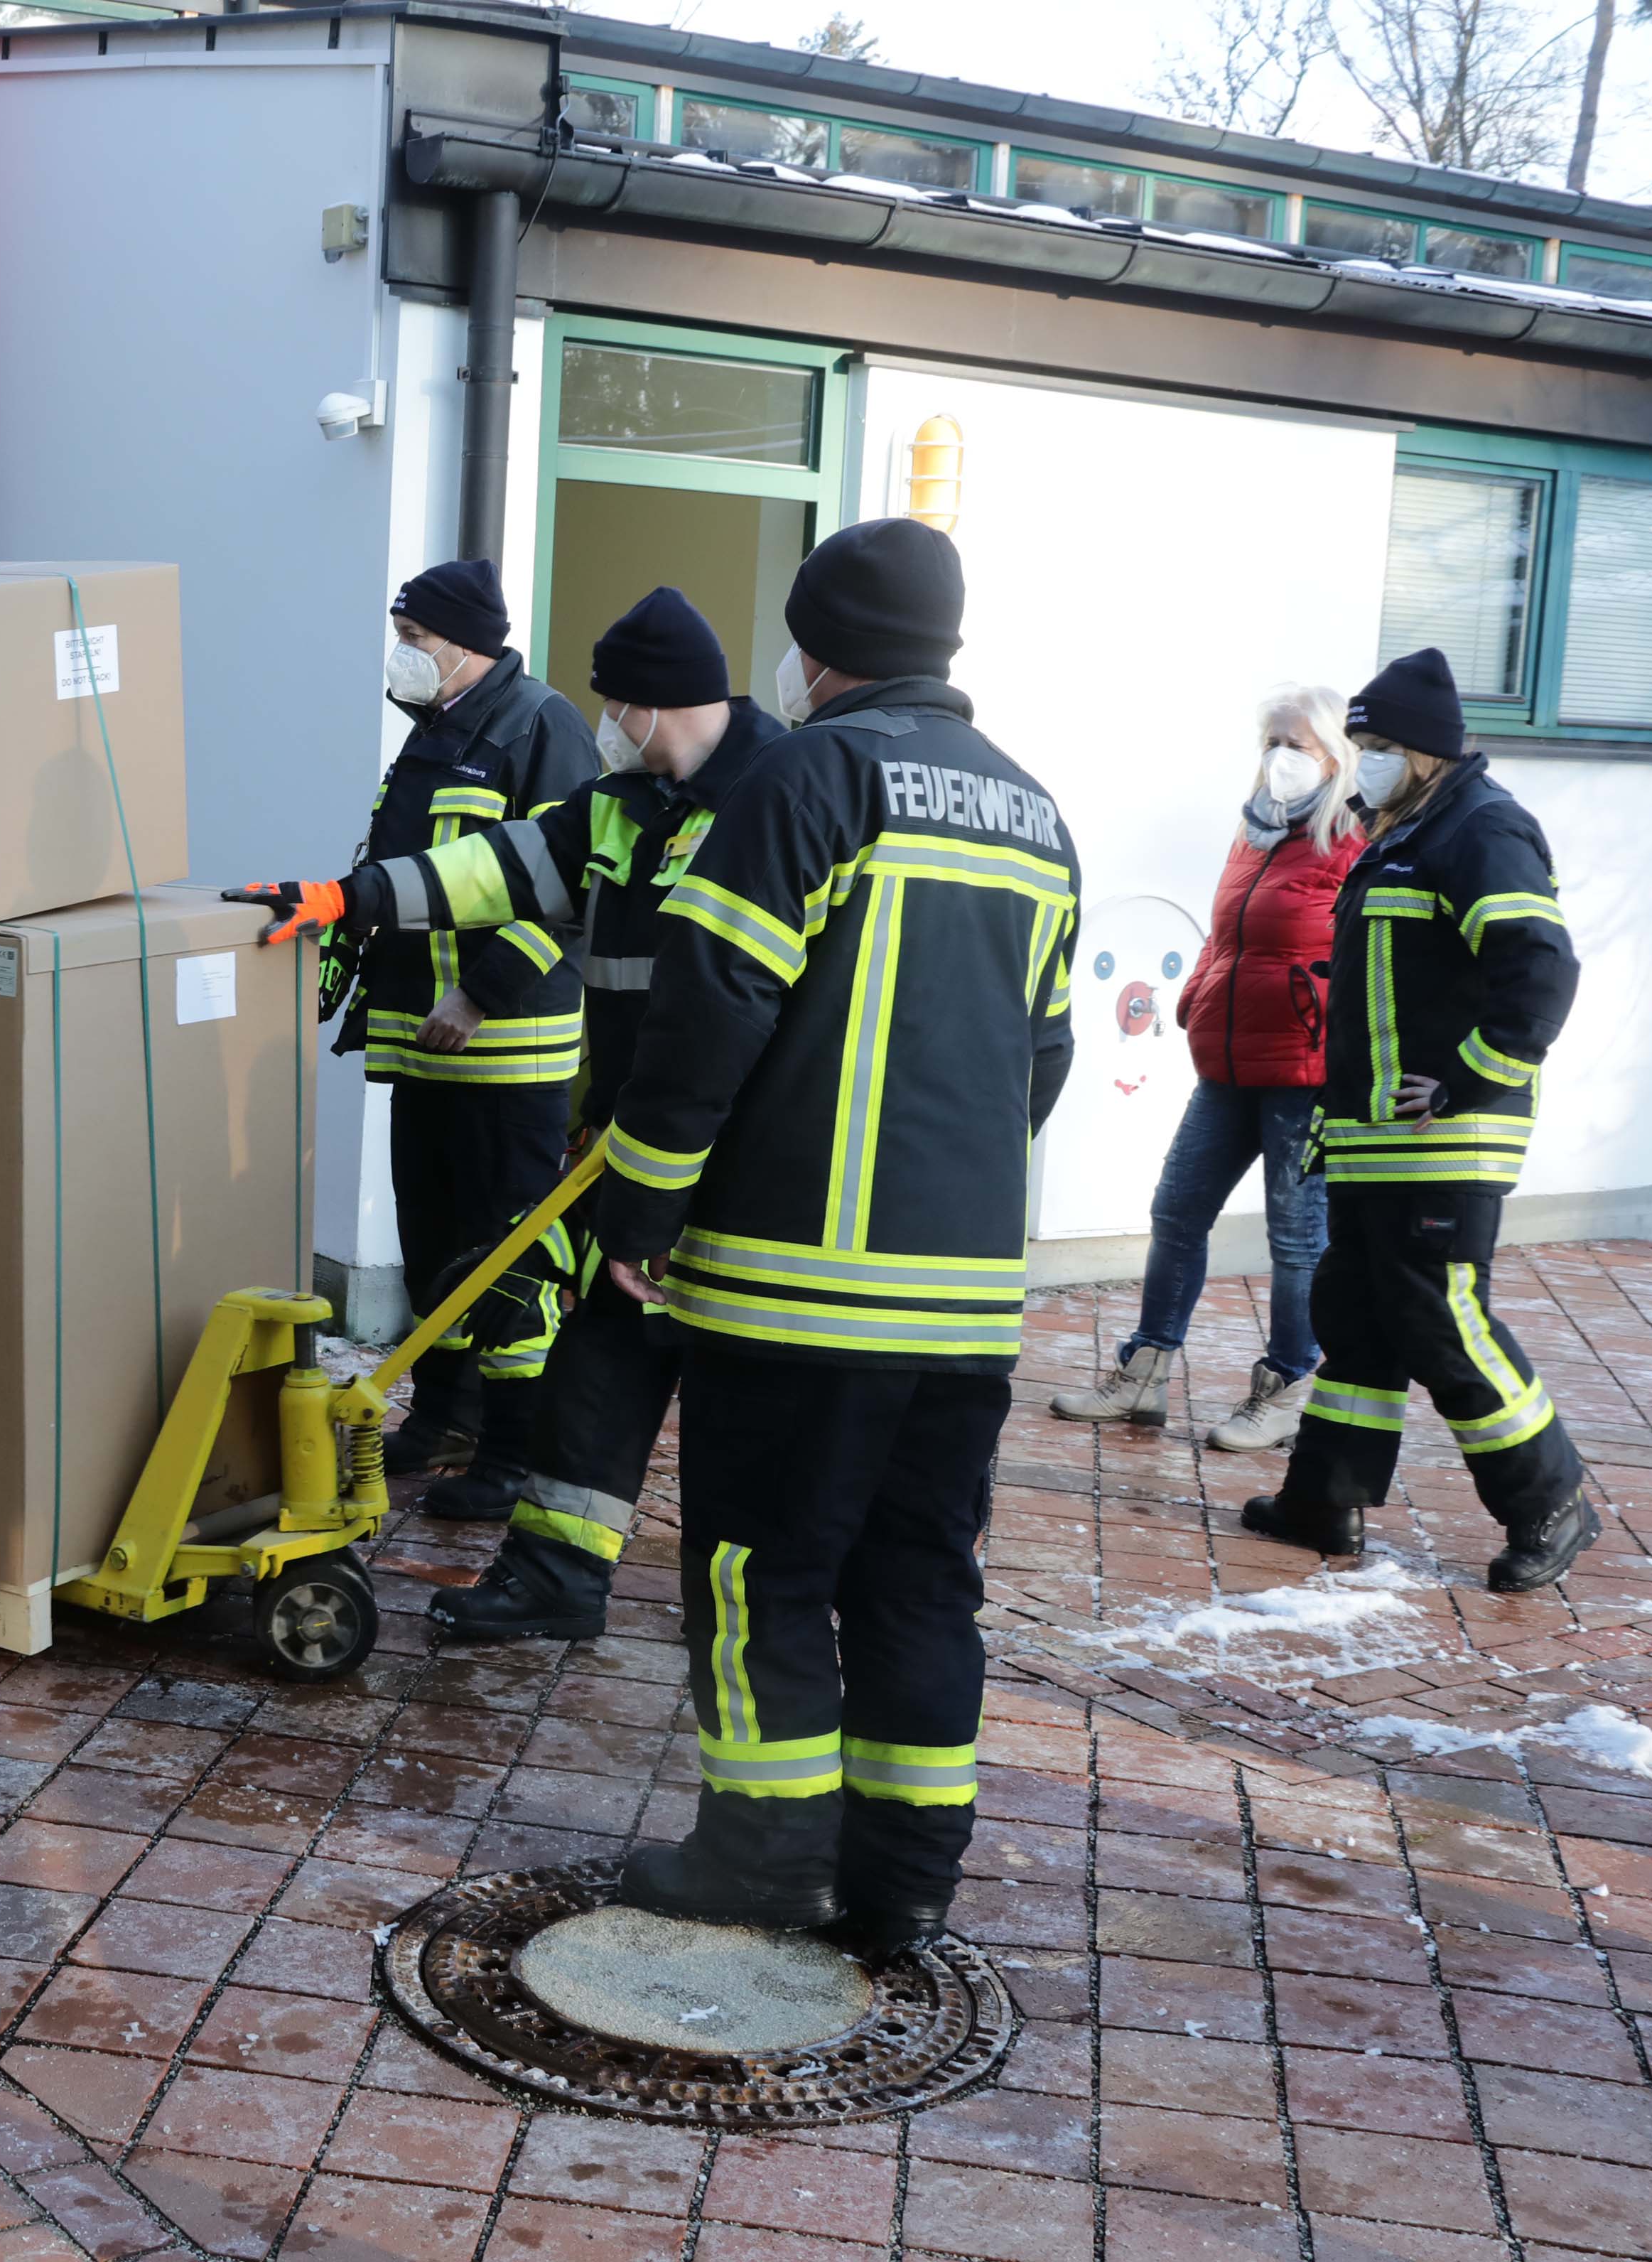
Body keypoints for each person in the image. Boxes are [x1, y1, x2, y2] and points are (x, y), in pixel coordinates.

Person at [584, 519, 1079, 1957]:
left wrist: (645, 1197)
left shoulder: (811, 776)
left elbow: (712, 1006)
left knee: (761, 1572)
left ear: (816, 649)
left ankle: (764, 1856)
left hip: (794, 1291)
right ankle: (903, 1884)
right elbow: (1036, 1063)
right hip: (966, 1301)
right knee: (922, 1585)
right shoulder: (1035, 812)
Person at [237, 588, 787, 1638]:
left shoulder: (772, 800)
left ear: (652, 703)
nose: (605, 724)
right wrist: (343, 899)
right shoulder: (626, 803)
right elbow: (491, 869)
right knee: (598, 1356)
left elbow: (724, 1008)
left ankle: (747, 1595)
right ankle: (556, 1574)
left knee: (712, 1381)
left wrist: (652, 1174)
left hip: (710, 1152)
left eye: (615, 705)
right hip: (630, 1132)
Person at [1240, 649, 1591, 1593]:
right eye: (1362, 743)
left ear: (1430, 751)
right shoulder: (1398, 833)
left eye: (1382, 744)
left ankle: (1549, 1497)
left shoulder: (1481, 830)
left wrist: (1463, 1083)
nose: (1367, 759)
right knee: (1354, 1318)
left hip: (1446, 1138)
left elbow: (1541, 973)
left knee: (1443, 1320)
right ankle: (1326, 1497)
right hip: (1369, 1142)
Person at [338, 557, 600, 1521]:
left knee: (508, 1257)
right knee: (434, 1242)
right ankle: (443, 1415)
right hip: (424, 1048)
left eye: (415, 639)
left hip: (507, 1051)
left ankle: (513, 1448)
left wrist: (484, 996)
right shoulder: (435, 732)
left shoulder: (542, 726)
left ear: (465, 643)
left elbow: (576, 889)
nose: (402, 656)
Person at [1054, 690, 1361, 1450]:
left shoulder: (1354, 838)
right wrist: (1196, 994)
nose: (1279, 757)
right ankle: (1145, 1374)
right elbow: (1228, 934)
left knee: (1296, 1241)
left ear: (1336, 756)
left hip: (1302, 1069)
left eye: (1298, 744)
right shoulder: (1255, 829)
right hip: (1226, 1061)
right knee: (1177, 1212)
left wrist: (1321, 1018)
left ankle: (1286, 1387)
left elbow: (1362, 958)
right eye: (1272, 741)